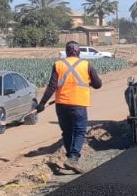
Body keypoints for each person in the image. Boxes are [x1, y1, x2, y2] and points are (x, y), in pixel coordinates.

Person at [37, 41, 103, 173]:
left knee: (67, 132)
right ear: (78, 52)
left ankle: (70, 157)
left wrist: (42, 104)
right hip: (78, 104)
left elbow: (51, 86)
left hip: (61, 105)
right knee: (79, 131)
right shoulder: (86, 65)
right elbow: (98, 84)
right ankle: (73, 158)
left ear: (67, 52)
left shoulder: (58, 65)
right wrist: (88, 81)